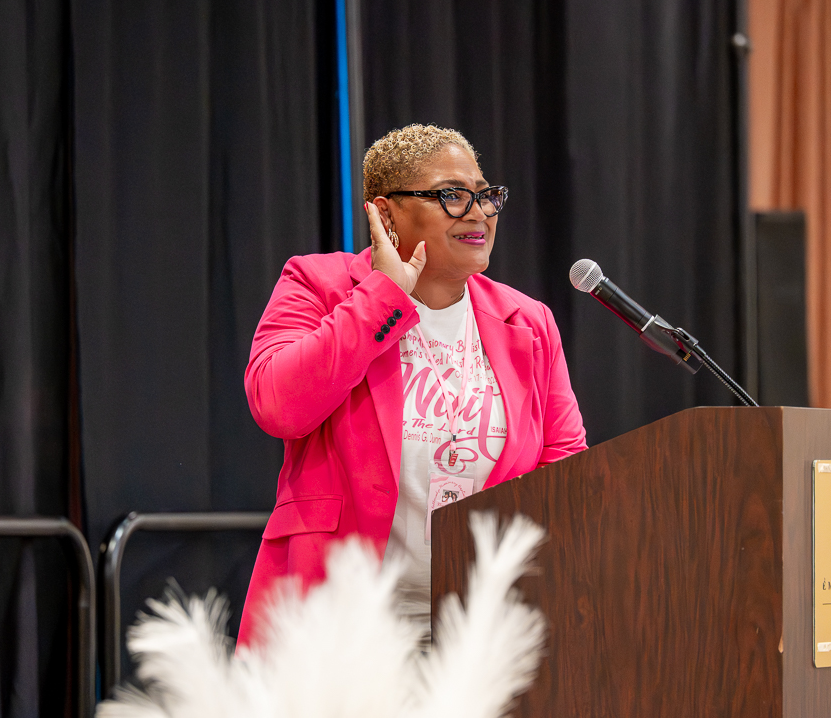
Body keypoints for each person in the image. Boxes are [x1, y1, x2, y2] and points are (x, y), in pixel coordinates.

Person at [238, 124, 586, 648]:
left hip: (478, 637)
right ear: (386, 214)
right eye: (452, 195)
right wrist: (382, 296)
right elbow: (276, 404)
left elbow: (566, 468)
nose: (478, 212)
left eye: (485, 195)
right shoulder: (319, 285)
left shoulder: (529, 322)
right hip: (337, 630)